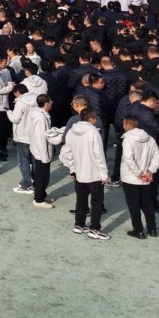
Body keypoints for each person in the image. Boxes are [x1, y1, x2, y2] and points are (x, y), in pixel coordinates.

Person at [59, 103, 110, 240]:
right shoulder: (93, 133)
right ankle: (94, 229)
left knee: (81, 200)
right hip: (94, 174)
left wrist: (72, 168)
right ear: (91, 119)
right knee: (97, 202)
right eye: (95, 118)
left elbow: (65, 153)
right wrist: (104, 174)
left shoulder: (71, 131)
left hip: (79, 173)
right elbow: (99, 155)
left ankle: (79, 224)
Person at [119, 112, 159, 239]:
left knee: (134, 205)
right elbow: (157, 156)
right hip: (146, 178)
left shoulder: (128, 139)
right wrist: (150, 171)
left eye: (124, 124)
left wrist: (139, 174)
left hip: (130, 178)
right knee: (147, 204)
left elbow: (128, 159)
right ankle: (152, 229)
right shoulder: (150, 139)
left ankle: (138, 230)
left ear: (128, 125)